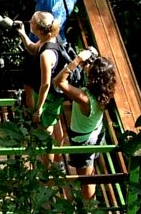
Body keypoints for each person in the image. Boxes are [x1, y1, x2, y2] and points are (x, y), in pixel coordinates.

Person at [53, 52, 116, 200]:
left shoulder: (85, 98)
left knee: (86, 179)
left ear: (94, 77)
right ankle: (90, 204)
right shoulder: (106, 90)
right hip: (95, 134)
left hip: (83, 142)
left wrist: (77, 60)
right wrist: (85, 67)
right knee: (90, 172)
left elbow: (59, 81)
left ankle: (89, 207)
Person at [14, 11, 65, 168]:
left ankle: (46, 171)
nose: (29, 22)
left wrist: (39, 109)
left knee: (46, 134)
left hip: (48, 98)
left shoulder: (46, 55)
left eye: (32, 22)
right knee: (55, 126)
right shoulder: (50, 39)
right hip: (54, 96)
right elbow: (33, 49)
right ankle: (58, 161)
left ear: (38, 28)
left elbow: (45, 84)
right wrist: (22, 33)